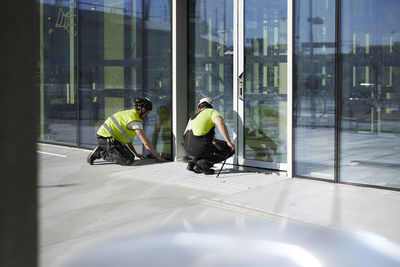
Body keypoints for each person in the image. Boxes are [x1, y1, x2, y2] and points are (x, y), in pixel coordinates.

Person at [87, 97, 167, 165]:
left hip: (114, 140)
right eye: (147, 112)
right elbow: (145, 141)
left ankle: (106, 148)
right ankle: (101, 152)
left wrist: (135, 154)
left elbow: (128, 139)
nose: (147, 115)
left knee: (131, 157)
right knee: (126, 161)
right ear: (143, 109)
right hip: (105, 138)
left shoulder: (131, 114)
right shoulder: (134, 120)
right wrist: (157, 156)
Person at [183, 97, 235, 174]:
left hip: (187, 148)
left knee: (207, 146)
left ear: (199, 108)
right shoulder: (211, 112)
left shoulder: (193, 117)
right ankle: (202, 165)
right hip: (199, 147)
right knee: (227, 149)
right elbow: (220, 123)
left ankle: (192, 163)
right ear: (210, 106)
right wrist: (229, 142)